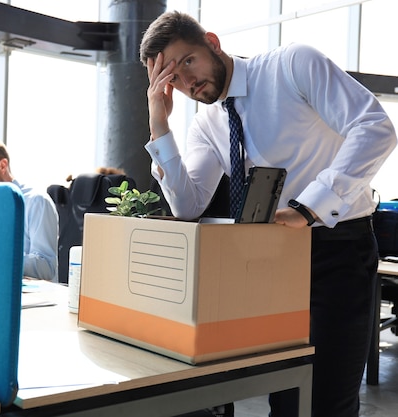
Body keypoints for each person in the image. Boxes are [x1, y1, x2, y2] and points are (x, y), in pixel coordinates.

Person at [139, 10, 397, 417]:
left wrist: (309, 207)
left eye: (187, 61)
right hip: (267, 265)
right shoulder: (207, 124)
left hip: (335, 252)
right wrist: (159, 124)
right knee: (286, 396)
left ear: (211, 41)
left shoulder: (292, 66)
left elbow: (374, 128)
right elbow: (187, 205)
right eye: (172, 78)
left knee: (327, 400)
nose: (187, 81)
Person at [0, 138, 59, 282]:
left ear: (2, 165)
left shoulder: (36, 202)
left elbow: (47, 267)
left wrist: (0, 259)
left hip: (34, 297)